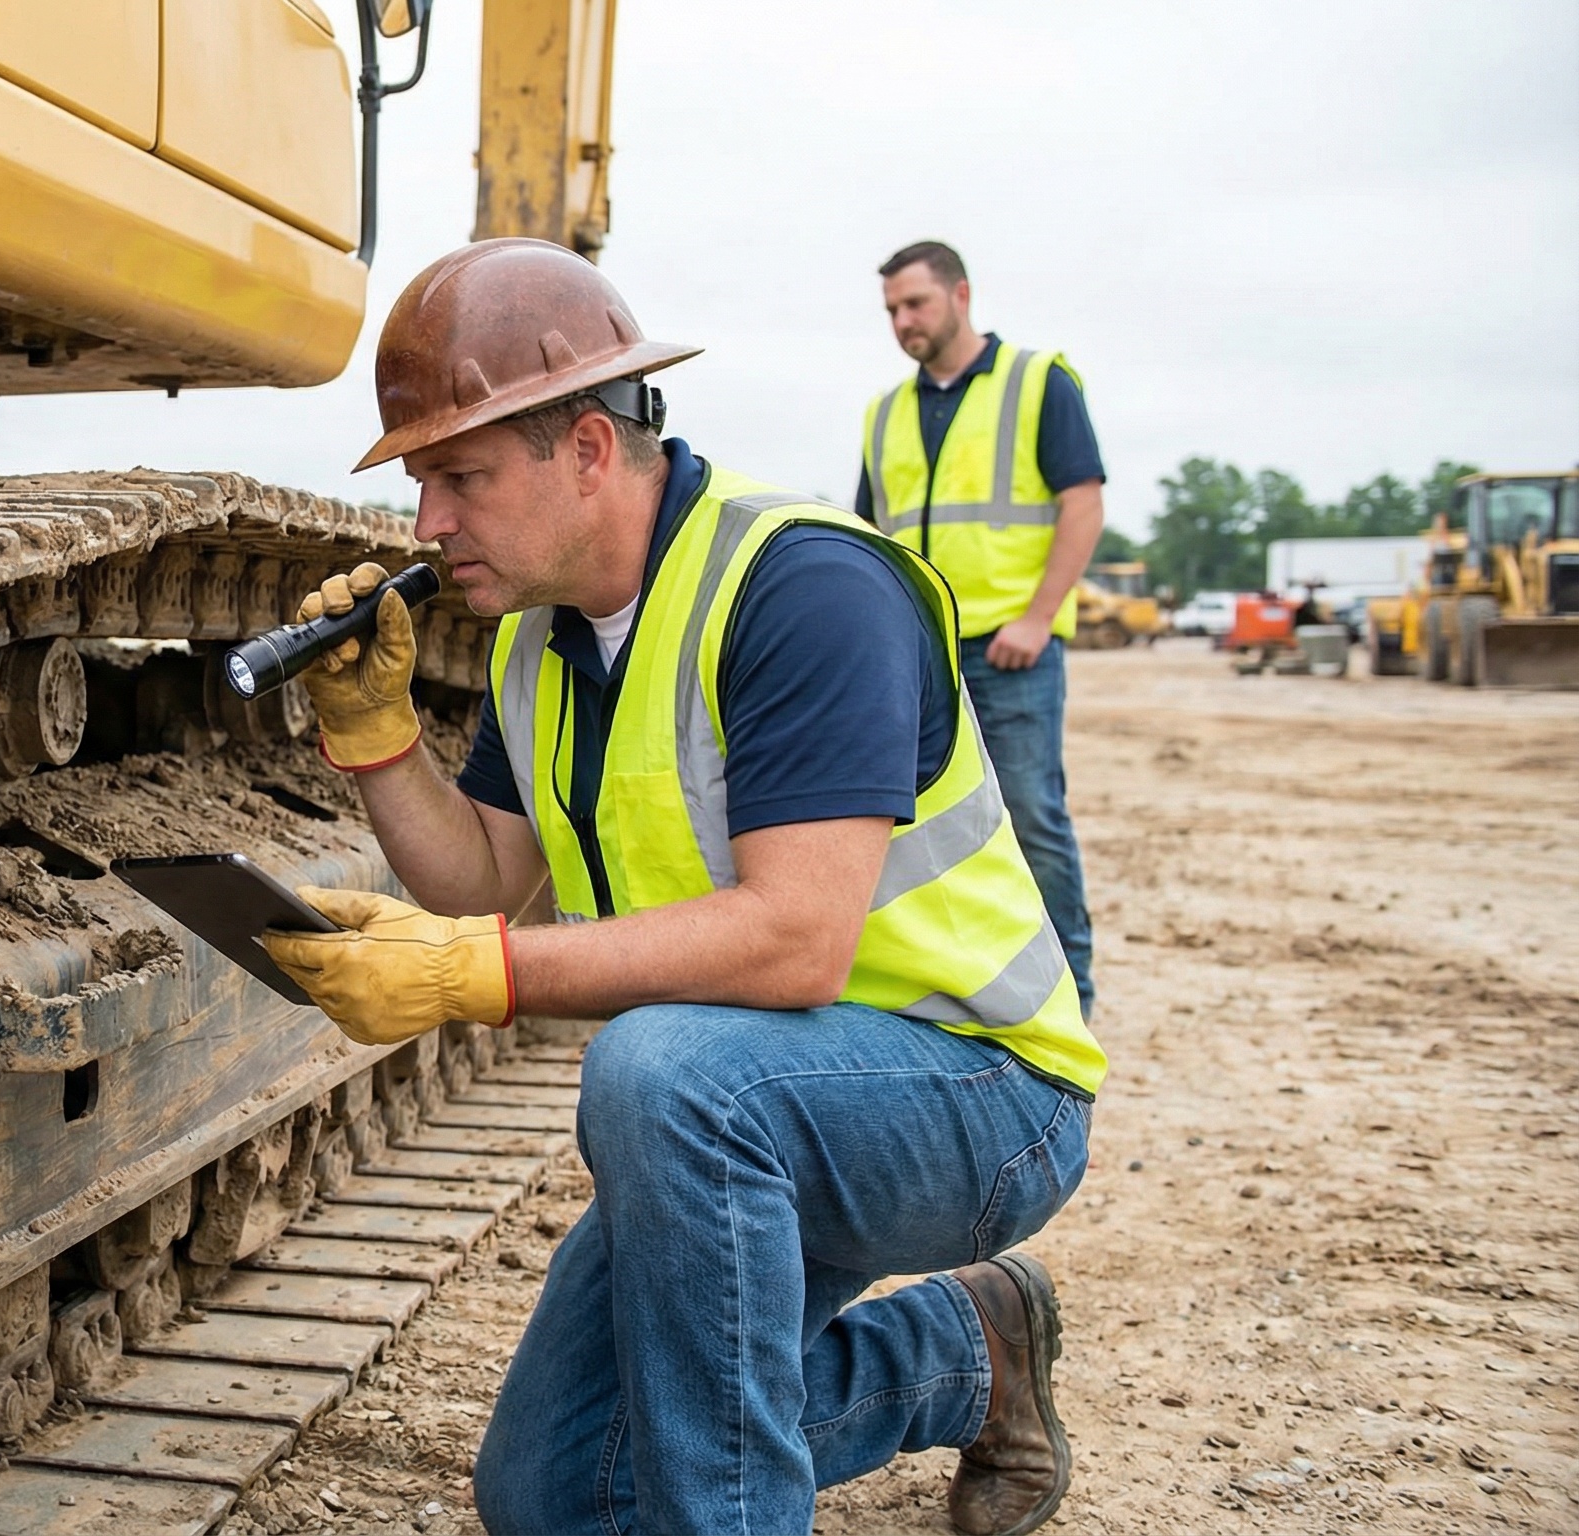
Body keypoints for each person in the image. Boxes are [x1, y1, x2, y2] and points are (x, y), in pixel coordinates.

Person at [258, 239, 1106, 1536]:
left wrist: (473, 974)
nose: (428, 524)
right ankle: (966, 1352)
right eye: (424, 482)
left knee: (655, 1076)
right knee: (551, 1490)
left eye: (461, 477)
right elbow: (484, 881)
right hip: (764, 1098)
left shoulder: (802, 587)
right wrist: (378, 744)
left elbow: (797, 944)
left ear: (590, 450)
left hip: (976, 1087)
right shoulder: (540, 645)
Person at [857, 240, 1104, 1017]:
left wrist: (1037, 618)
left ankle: (1070, 1001)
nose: (903, 321)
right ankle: (955, 992)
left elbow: (1083, 504)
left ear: (962, 296)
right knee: (914, 830)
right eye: (892, 309)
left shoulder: (1039, 383)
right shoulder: (885, 413)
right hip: (921, 656)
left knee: (1031, 817)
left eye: (916, 304)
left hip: (1011, 652)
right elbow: (870, 536)